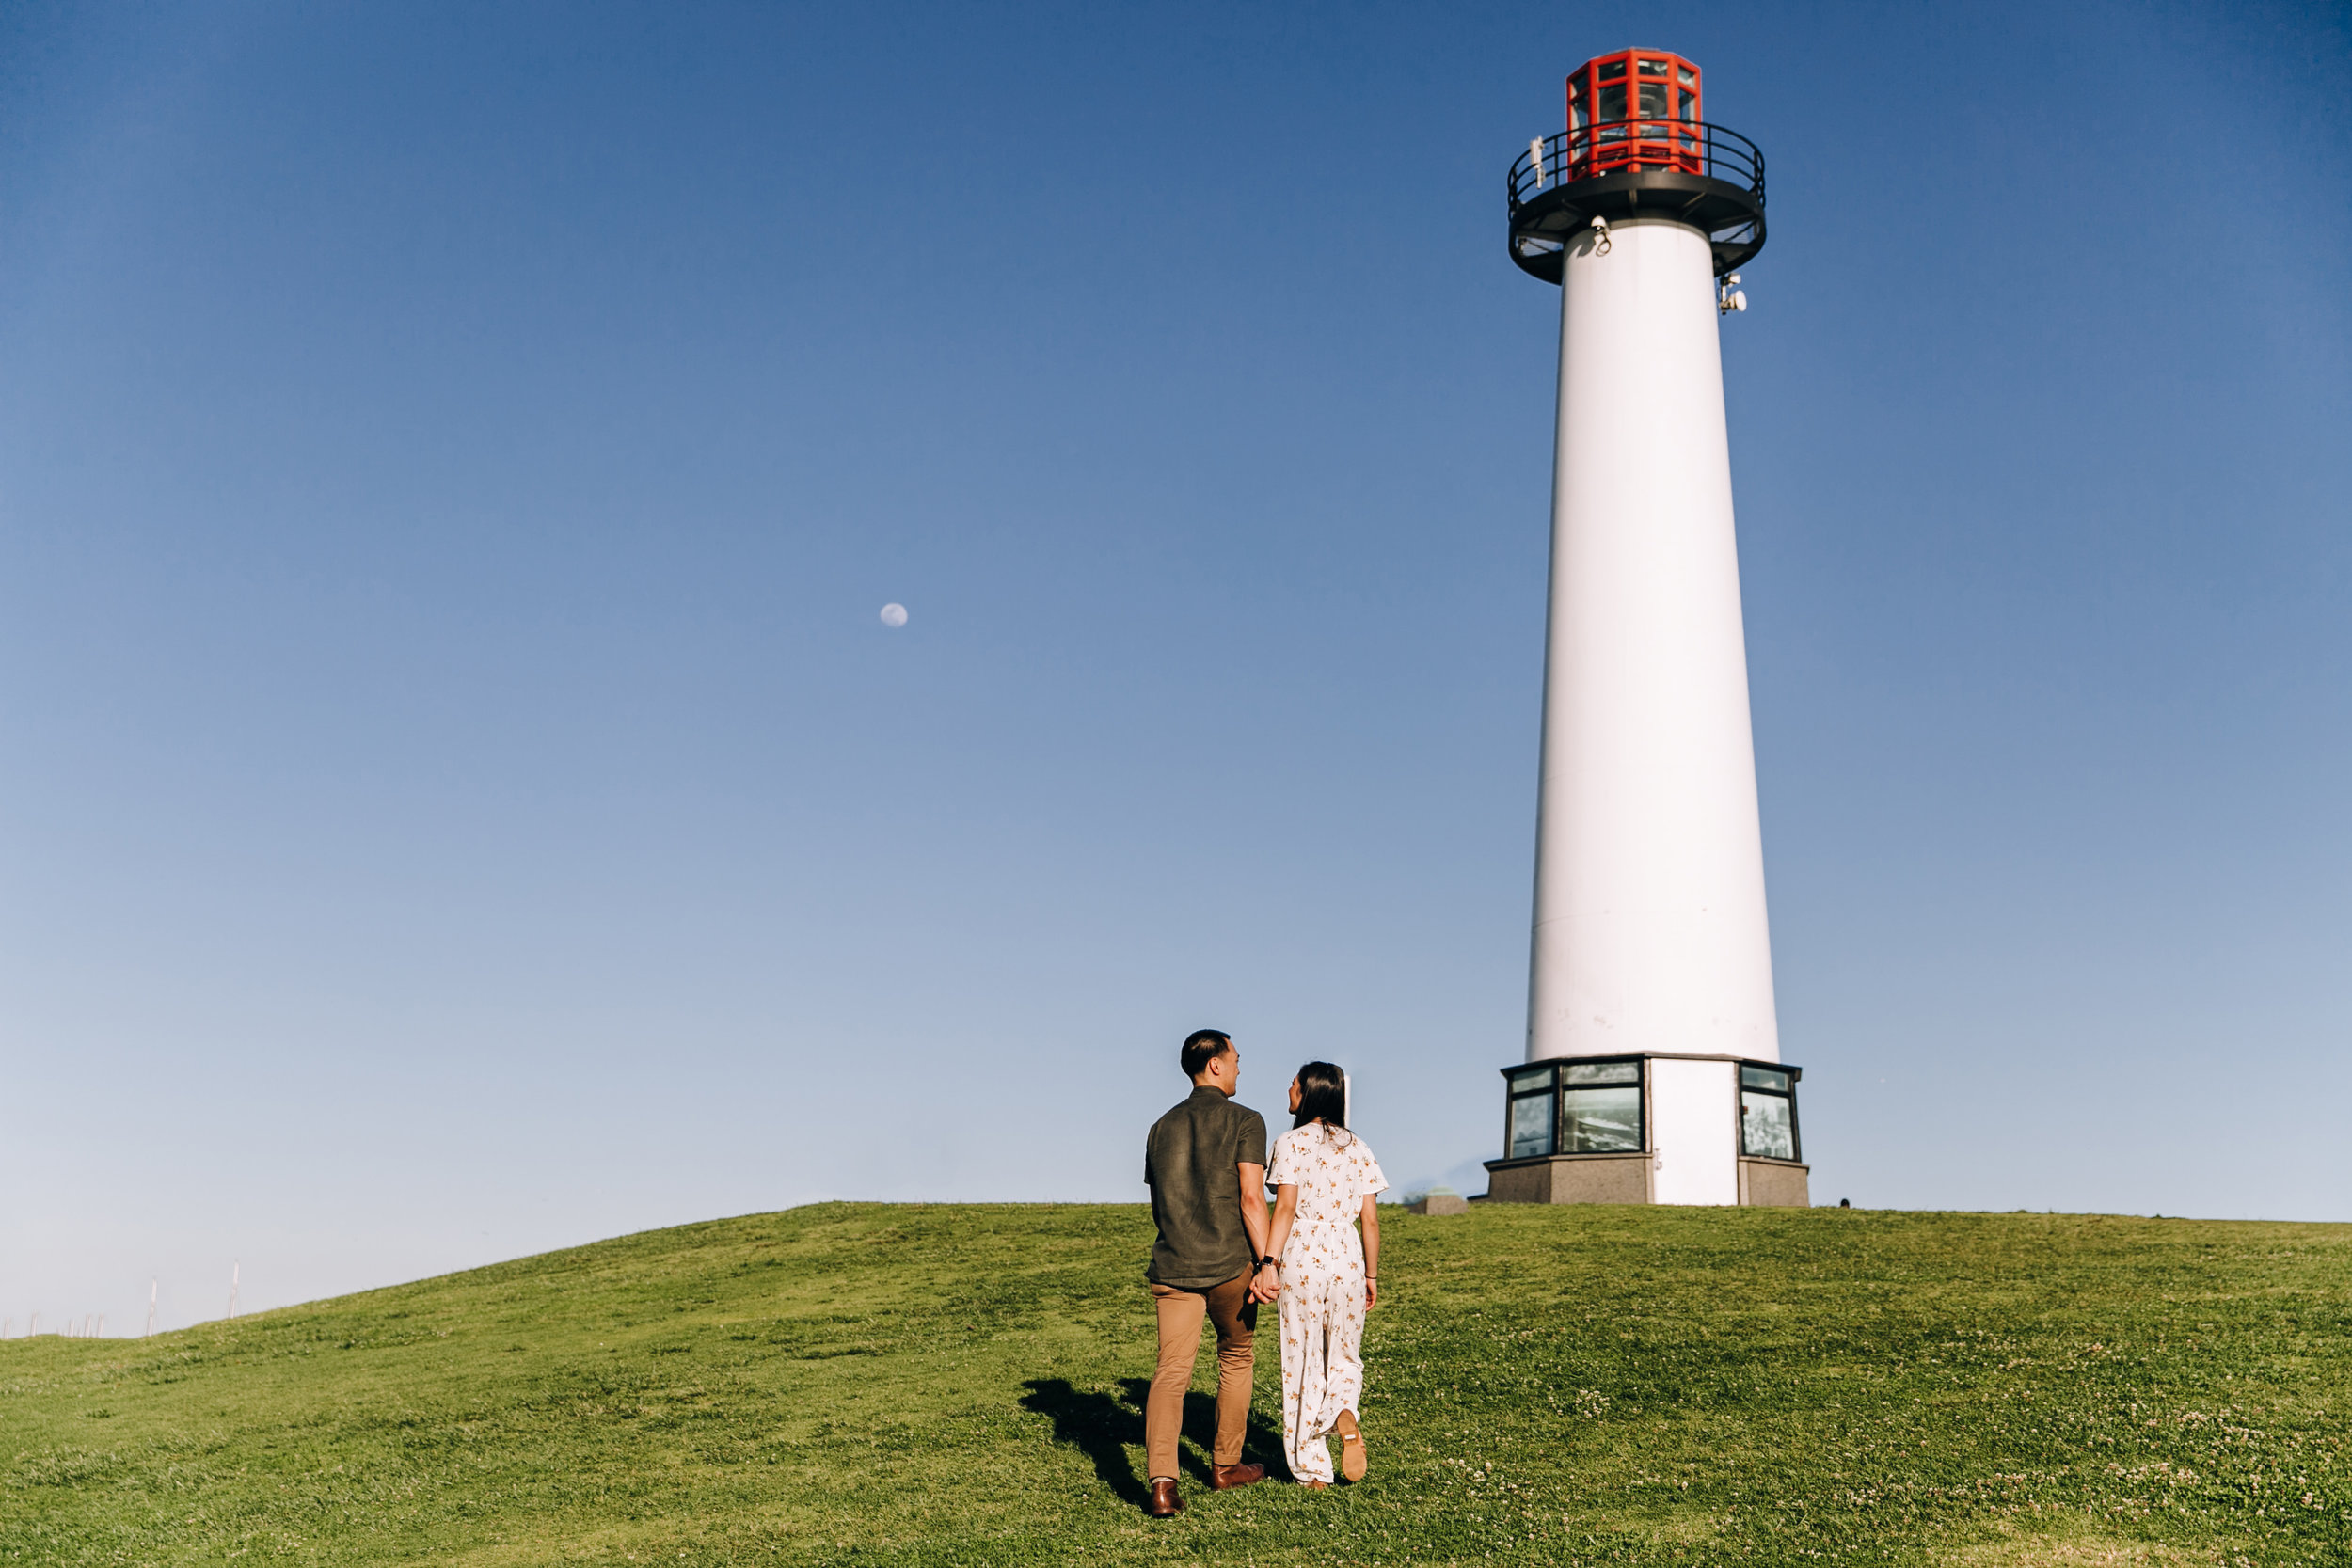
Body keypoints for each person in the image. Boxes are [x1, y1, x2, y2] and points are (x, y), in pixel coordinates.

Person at [1139, 1029, 1281, 1518]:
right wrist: (1267, 1262)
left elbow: (1161, 1202)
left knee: (1171, 1371)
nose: (1241, 1067)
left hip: (1173, 1264)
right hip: (1228, 1266)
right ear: (1216, 1065)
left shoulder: (1159, 1127)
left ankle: (1162, 1483)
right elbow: (1250, 1197)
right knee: (1236, 1357)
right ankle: (1226, 1466)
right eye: (1237, 1059)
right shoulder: (1246, 1120)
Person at [1263, 1060, 1386, 1489]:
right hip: (1348, 1256)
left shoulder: (1290, 1143)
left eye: (1294, 1082)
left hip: (1303, 1255)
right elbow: (1369, 1220)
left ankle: (1313, 1470)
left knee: (1302, 1360)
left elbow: (1285, 1208)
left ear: (1310, 1092)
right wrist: (1371, 1275)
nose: (1289, 1088)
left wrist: (1269, 1262)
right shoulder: (1359, 1147)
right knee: (1345, 1354)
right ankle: (1342, 1411)